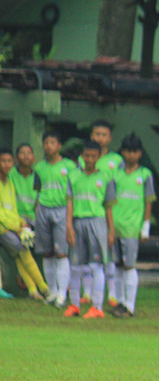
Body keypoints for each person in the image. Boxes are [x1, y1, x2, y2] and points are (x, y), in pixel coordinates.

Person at [64, 140, 116, 319]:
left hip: (97, 222)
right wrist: (69, 226)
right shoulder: (73, 176)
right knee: (76, 266)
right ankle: (74, 305)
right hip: (78, 222)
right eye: (87, 156)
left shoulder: (106, 178)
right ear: (82, 156)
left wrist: (111, 230)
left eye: (94, 156)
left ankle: (97, 307)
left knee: (96, 265)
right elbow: (69, 202)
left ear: (99, 156)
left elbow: (108, 206)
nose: (90, 159)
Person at [109, 133, 155, 317]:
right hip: (117, 227)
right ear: (122, 152)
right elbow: (110, 203)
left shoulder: (145, 175)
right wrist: (110, 228)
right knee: (118, 265)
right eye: (127, 151)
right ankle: (119, 301)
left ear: (140, 153)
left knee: (129, 266)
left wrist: (145, 227)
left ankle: (129, 305)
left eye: (134, 151)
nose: (130, 155)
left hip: (132, 228)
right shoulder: (116, 175)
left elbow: (148, 201)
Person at [81, 120, 124, 307]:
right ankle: (87, 293)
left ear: (110, 138)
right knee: (89, 254)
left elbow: (122, 185)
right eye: (96, 134)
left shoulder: (117, 161)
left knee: (109, 253)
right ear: (91, 136)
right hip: (89, 211)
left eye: (103, 135)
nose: (99, 138)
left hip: (111, 212)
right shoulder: (84, 159)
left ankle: (112, 293)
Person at [34, 130, 76, 308]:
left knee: (61, 253)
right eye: (46, 143)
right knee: (47, 252)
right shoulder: (39, 167)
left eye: (52, 142)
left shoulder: (69, 166)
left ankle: (62, 293)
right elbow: (37, 189)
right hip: (44, 209)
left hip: (61, 210)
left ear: (59, 146)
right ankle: (51, 291)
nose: (48, 146)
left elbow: (73, 193)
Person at [0, 148, 47, 299]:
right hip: (3, 229)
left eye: (8, 161)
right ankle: (44, 288)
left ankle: (33, 290)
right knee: (22, 250)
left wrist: (21, 222)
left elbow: (12, 208)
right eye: (3, 161)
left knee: (19, 255)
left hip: (11, 227)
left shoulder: (9, 183)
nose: (6, 165)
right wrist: (15, 228)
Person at [11, 143, 40, 227]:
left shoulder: (37, 178)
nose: (26, 156)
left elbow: (37, 203)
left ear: (34, 158)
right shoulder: (10, 174)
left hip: (32, 220)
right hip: (14, 218)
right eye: (22, 153)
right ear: (16, 159)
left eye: (29, 153)